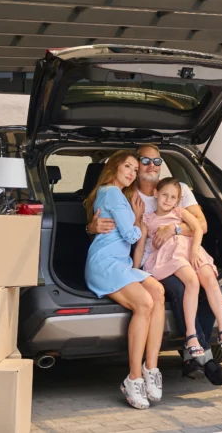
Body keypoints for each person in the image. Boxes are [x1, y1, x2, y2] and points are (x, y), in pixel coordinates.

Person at [87, 144, 222, 386]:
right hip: (153, 259)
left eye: (156, 161)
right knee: (180, 288)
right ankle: (201, 354)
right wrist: (92, 227)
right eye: (142, 162)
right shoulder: (126, 193)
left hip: (183, 250)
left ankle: (194, 352)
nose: (149, 166)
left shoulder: (179, 189)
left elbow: (201, 225)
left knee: (205, 283)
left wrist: (173, 228)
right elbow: (115, 228)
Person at [82, 151, 166, 410]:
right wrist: (139, 221)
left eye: (134, 168)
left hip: (120, 263)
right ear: (114, 169)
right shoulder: (112, 193)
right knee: (144, 304)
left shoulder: (119, 195)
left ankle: (151, 367)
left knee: (158, 291)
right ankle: (134, 378)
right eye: (126, 167)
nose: (131, 172)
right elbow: (131, 236)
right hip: (105, 263)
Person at [137, 177, 222, 358]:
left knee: (210, 280)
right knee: (192, 282)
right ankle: (191, 336)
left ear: (178, 199)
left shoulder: (180, 212)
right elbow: (141, 244)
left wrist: (196, 251)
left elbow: (198, 229)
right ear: (156, 194)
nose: (168, 200)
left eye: (173, 197)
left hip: (191, 250)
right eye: (164, 195)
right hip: (171, 255)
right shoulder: (148, 219)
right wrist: (135, 269)